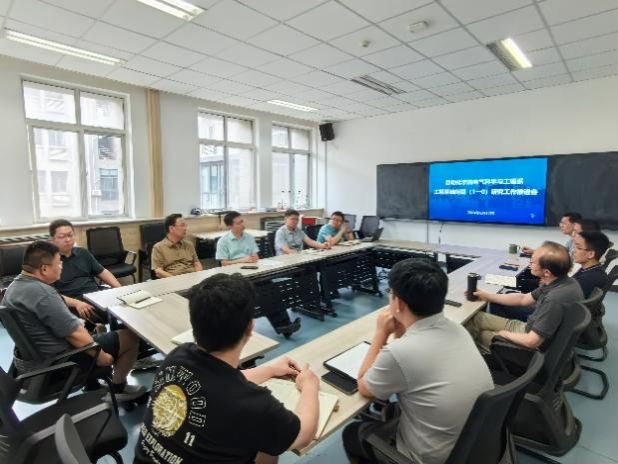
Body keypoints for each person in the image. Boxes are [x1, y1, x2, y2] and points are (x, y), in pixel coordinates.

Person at [134, 273, 319, 464]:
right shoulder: (255, 406)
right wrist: (309, 385)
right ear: (250, 328)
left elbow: (222, 383)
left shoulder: (178, 355)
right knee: (268, 445)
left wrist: (270, 370)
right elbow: (303, 435)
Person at [343, 259, 493, 464]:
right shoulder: (457, 329)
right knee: (391, 409)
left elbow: (364, 386)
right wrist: (401, 331)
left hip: (432, 457)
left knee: (352, 433)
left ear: (398, 303)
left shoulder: (399, 352)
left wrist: (380, 333)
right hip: (473, 444)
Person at [3, 241, 146, 401]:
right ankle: (119, 389)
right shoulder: (43, 293)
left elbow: (54, 311)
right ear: (44, 269)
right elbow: (75, 335)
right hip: (62, 365)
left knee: (92, 327)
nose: (61, 267)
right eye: (58, 263)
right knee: (130, 337)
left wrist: (79, 322)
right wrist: (102, 357)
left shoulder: (14, 289)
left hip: (35, 364)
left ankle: (92, 385)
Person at [466, 241, 583, 351]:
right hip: (531, 328)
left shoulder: (554, 299)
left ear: (547, 272)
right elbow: (523, 299)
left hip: (531, 343)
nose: (529, 264)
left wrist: (504, 334)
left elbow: (532, 342)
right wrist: (486, 295)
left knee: (475, 335)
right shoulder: (565, 281)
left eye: (533, 262)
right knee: (476, 318)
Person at [49, 219, 121, 323]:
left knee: (124, 307)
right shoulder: (49, 262)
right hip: (73, 302)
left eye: (70, 235)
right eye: (62, 237)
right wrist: (77, 303)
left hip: (95, 295)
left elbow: (102, 272)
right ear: (52, 240)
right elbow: (51, 295)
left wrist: (119, 288)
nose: (68, 239)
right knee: (104, 317)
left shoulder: (83, 253)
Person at [152, 213, 203, 278]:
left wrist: (198, 276)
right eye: (182, 225)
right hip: (172, 280)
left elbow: (197, 263)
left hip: (192, 278)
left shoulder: (189, 244)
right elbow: (158, 272)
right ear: (171, 228)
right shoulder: (158, 247)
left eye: (185, 225)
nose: (185, 228)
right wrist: (176, 280)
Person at [571, 231, 610, 298]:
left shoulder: (587, 279)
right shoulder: (589, 269)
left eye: (579, 248)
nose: (573, 251)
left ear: (591, 254)